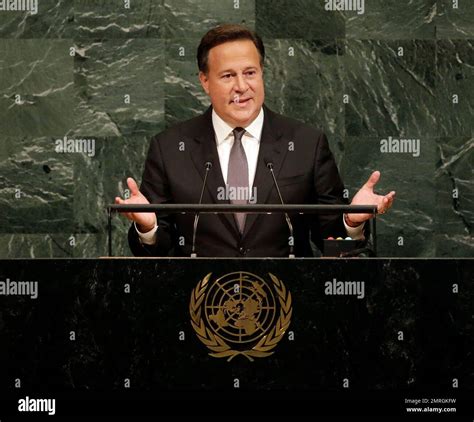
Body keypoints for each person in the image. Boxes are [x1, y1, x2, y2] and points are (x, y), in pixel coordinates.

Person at [115, 24, 395, 257]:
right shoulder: (169, 148)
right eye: (227, 75)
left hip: (285, 305)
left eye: (250, 73)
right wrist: (149, 228)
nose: (241, 86)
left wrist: (351, 222)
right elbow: (155, 254)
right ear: (204, 81)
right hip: (200, 308)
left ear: (262, 73)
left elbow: (331, 243)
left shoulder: (307, 144)